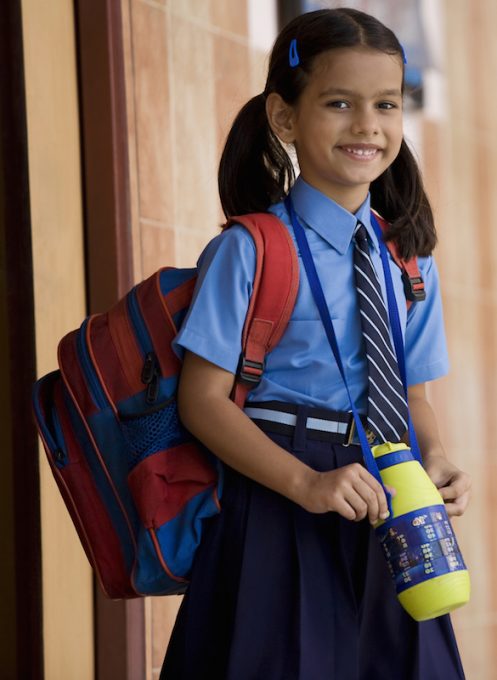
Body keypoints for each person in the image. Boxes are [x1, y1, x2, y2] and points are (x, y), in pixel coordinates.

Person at [160, 8, 471, 679]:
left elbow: (412, 395)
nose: (367, 125)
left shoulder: (408, 259)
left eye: (385, 104)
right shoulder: (248, 251)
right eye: (338, 103)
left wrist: (437, 458)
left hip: (391, 499)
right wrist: (305, 483)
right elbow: (202, 401)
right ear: (283, 118)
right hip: (277, 497)